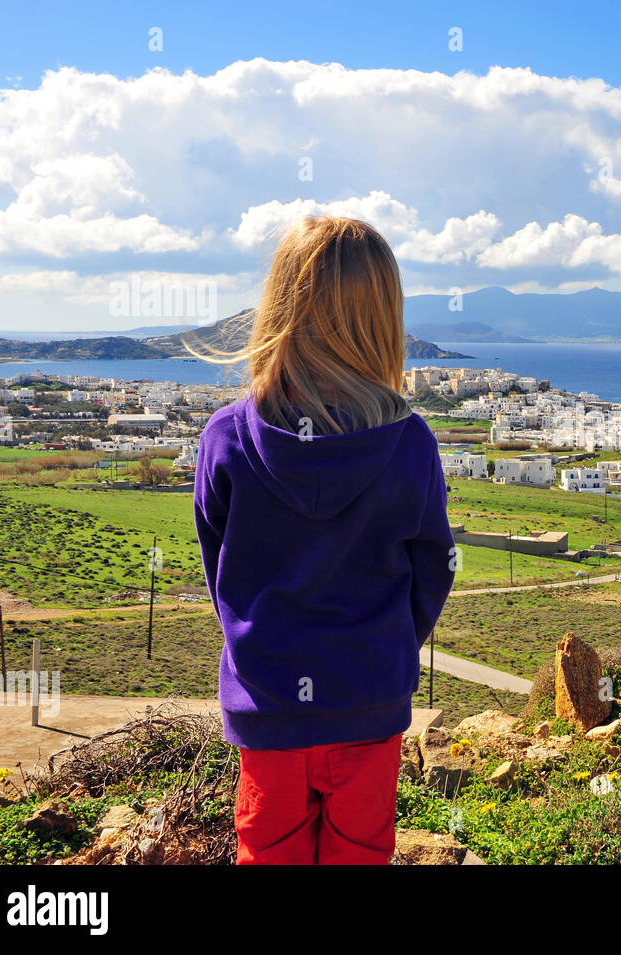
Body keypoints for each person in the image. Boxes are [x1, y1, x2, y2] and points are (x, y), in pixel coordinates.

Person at [192, 216, 455, 864]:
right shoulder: (411, 444)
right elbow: (434, 568)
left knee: (269, 853)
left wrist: (255, 637)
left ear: (278, 309)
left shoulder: (226, 438)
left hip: (268, 706)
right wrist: (387, 642)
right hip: (370, 704)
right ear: (383, 322)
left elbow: (217, 561)